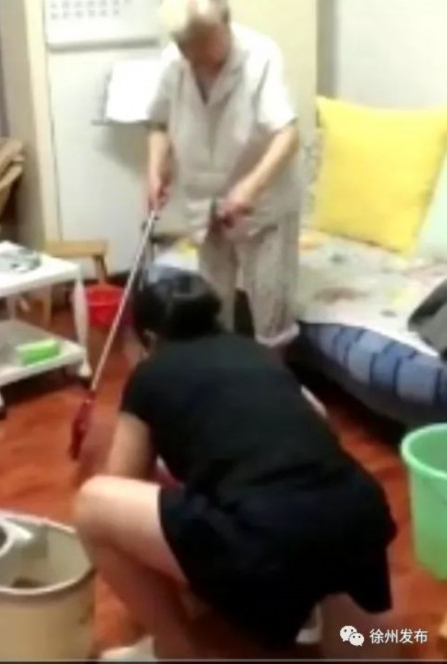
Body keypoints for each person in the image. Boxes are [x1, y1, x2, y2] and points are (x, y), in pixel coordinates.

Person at [75, 271, 397, 661]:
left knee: (93, 504)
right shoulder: (256, 353)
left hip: (270, 535)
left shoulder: (150, 373)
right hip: (357, 512)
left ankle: (176, 649)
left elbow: (122, 482)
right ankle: (327, 610)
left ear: (150, 339)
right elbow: (319, 416)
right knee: (360, 643)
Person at [147, 0, 302, 349]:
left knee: (272, 318)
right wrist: (155, 168)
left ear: (225, 25)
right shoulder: (174, 61)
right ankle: (221, 375)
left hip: (263, 205)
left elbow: (287, 134)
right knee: (213, 311)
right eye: (187, 47)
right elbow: (158, 122)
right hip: (206, 204)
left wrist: (251, 187)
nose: (195, 56)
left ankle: (272, 379)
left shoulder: (260, 56)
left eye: (203, 43)